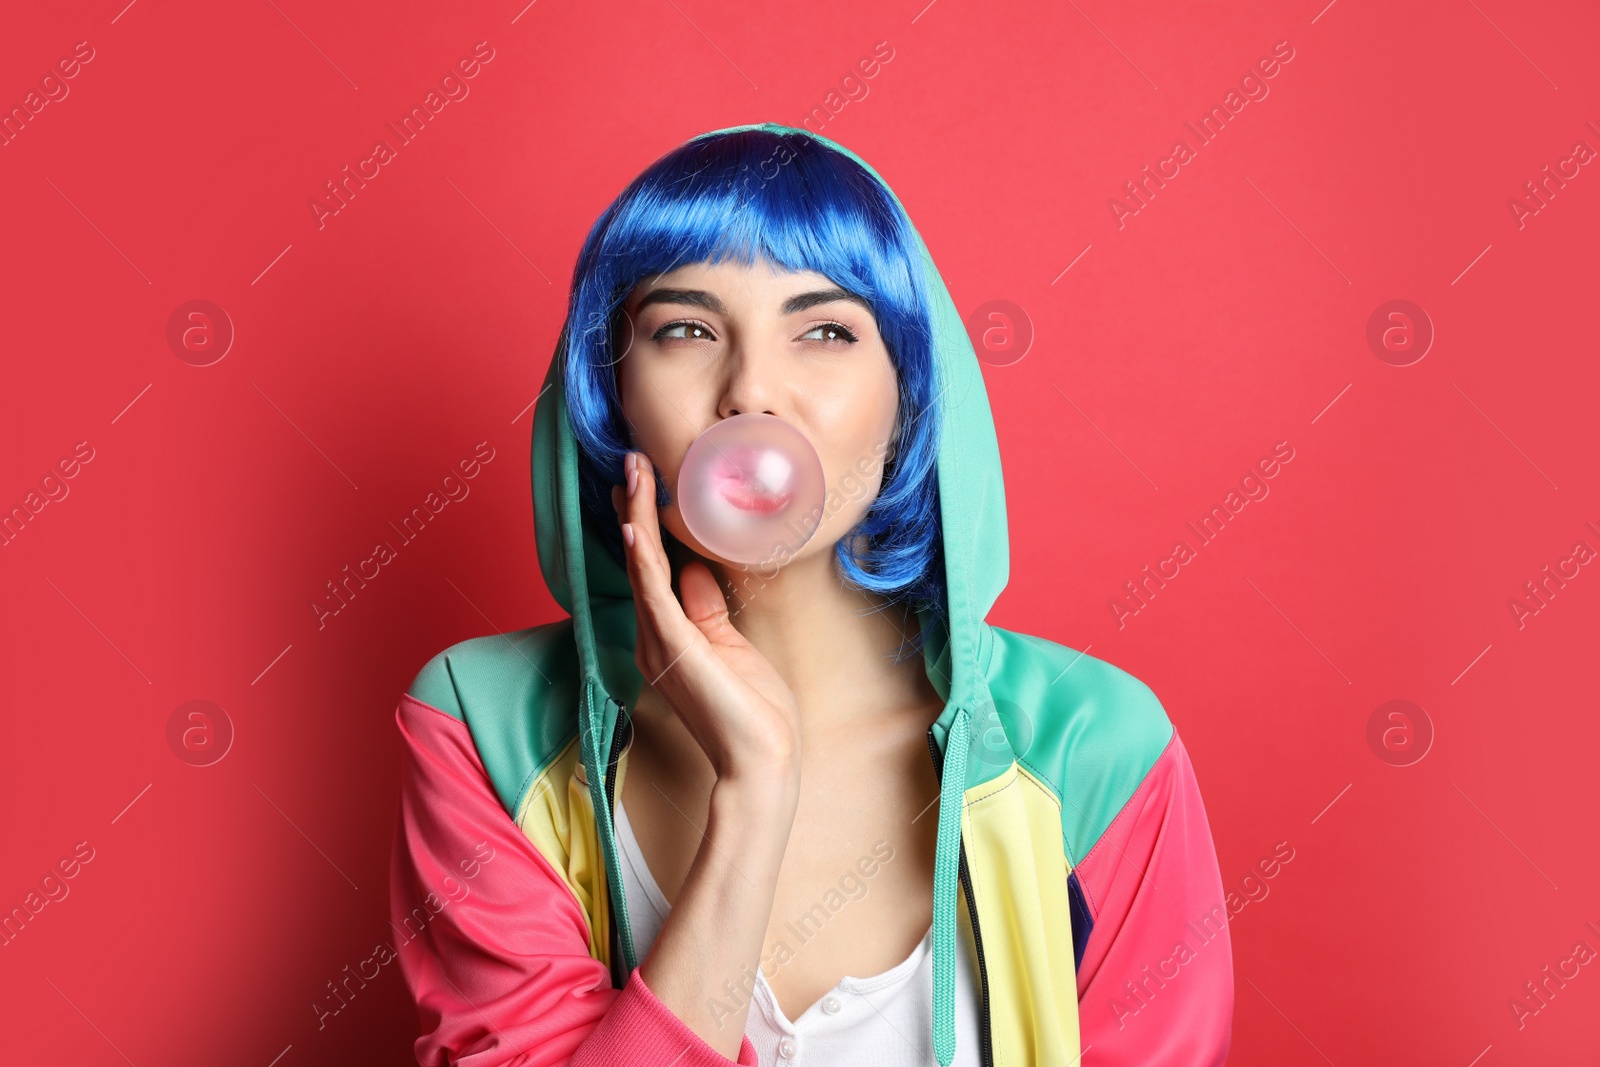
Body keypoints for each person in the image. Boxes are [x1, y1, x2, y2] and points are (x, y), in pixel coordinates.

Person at [389, 122, 1233, 1066]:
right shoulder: (485, 728)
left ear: (909, 393)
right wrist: (753, 799)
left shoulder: (1095, 750)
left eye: (826, 330)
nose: (752, 391)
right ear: (611, 391)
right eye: (686, 329)